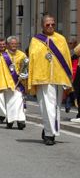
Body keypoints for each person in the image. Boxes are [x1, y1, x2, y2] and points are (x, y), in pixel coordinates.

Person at [28, 14, 73, 145]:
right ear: (42, 25)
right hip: (42, 78)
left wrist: (68, 79)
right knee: (46, 106)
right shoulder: (36, 40)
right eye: (47, 24)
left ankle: (51, 130)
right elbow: (32, 59)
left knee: (55, 107)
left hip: (58, 78)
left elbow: (67, 60)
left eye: (52, 24)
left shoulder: (61, 39)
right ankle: (49, 133)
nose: (50, 26)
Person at [0, 36, 27, 130]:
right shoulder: (4, 56)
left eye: (15, 44)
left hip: (20, 82)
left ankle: (20, 120)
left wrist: (25, 75)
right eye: (12, 44)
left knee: (19, 101)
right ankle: (10, 120)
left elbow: (26, 67)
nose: (14, 45)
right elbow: (2, 71)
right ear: (8, 45)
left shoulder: (22, 55)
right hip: (8, 83)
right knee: (10, 103)